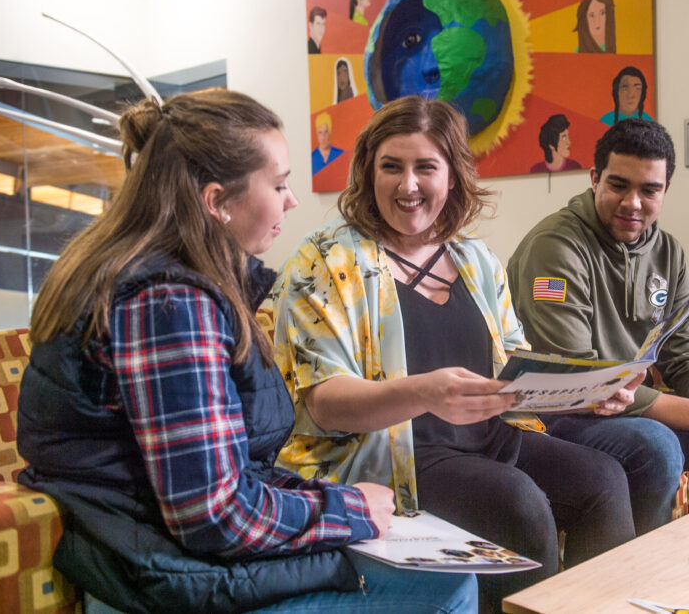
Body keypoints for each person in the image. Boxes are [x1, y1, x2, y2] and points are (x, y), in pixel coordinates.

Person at [15, 89, 476, 613]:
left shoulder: (169, 283)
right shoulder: (168, 302)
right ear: (216, 202)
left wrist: (323, 503)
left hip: (155, 546)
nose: (291, 200)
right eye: (279, 184)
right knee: (452, 586)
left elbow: (226, 472)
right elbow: (212, 513)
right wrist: (348, 509)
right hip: (154, 568)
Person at [272, 95, 635, 613]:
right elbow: (325, 403)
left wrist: (587, 392)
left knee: (604, 479)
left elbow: (516, 365)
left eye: (426, 167)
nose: (408, 184)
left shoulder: (474, 258)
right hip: (391, 457)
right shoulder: (324, 259)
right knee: (517, 503)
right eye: (391, 167)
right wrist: (423, 392)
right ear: (367, 173)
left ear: (453, 175)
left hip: (490, 438)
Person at [508, 118, 689, 534]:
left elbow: (684, 355)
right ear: (594, 178)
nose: (633, 203)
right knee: (656, 447)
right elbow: (578, 379)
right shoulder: (554, 248)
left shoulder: (667, 252)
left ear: (666, 190)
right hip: (556, 415)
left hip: (626, 409)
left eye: (649, 190)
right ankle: (635, 577)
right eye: (618, 185)